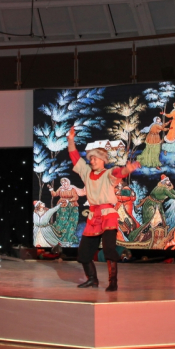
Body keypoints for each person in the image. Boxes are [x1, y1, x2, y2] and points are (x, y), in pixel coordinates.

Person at [68, 125, 139, 291]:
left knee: (109, 249)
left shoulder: (108, 173)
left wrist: (127, 169)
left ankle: (113, 282)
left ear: (103, 160)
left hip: (108, 215)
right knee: (84, 252)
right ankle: (92, 279)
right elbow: (74, 156)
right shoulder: (86, 172)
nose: (92, 161)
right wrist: (70, 140)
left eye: (95, 159)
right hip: (94, 216)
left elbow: (118, 173)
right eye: (91, 158)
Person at [125, 175, 175, 244]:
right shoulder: (163, 189)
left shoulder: (167, 187)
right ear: (164, 182)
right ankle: (137, 238)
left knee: (160, 222)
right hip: (150, 204)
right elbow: (172, 196)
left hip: (157, 205)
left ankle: (154, 239)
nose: (169, 182)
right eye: (167, 181)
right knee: (149, 222)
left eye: (168, 180)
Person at [47, 178, 86, 247]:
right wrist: (51, 189)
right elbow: (55, 194)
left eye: (65, 182)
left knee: (70, 223)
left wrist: (69, 201)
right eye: (62, 183)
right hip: (62, 207)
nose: (64, 184)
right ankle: (59, 238)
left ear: (68, 182)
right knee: (61, 222)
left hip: (72, 207)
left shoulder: (72, 189)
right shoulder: (61, 188)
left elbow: (76, 197)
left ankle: (68, 238)